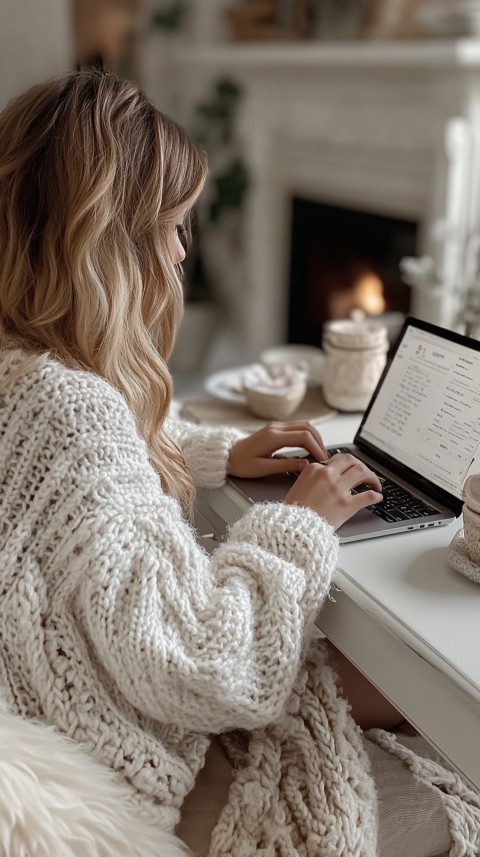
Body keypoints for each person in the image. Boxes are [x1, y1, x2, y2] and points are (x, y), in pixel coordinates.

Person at [0, 69, 467, 857]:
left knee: (383, 680)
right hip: (130, 749)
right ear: (104, 243)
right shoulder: (74, 412)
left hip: (72, 704)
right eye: (172, 227)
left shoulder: (25, 370)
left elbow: (77, 506)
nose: (183, 252)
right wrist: (297, 523)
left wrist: (211, 449)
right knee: (416, 695)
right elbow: (209, 666)